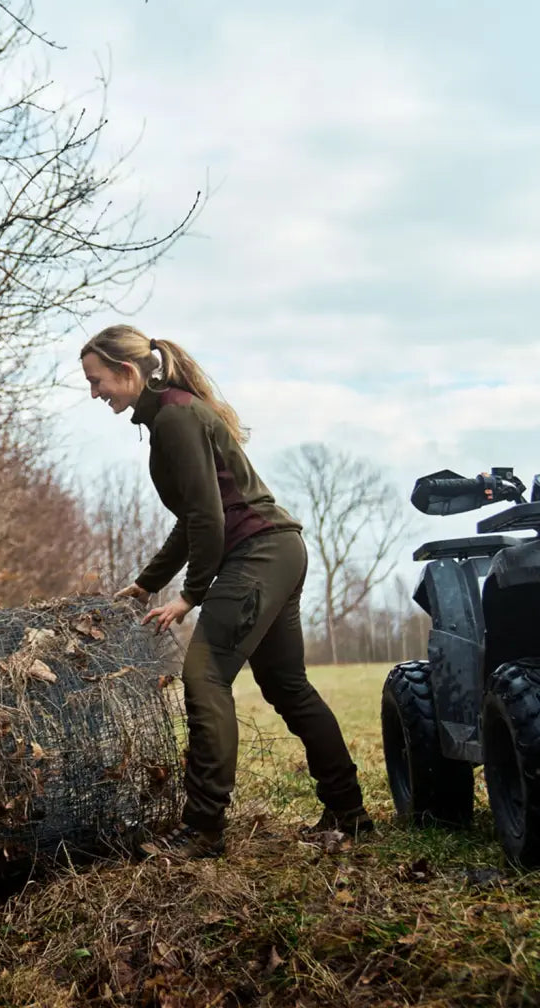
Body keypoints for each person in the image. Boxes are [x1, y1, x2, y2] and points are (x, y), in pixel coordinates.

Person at [80, 325, 370, 859]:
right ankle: (348, 813)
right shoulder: (171, 415)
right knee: (286, 685)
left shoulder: (175, 418)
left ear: (127, 372)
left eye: (98, 382)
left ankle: (203, 828)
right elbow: (191, 519)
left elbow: (209, 518)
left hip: (258, 554)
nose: (96, 393)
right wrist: (146, 584)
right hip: (275, 550)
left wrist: (191, 594)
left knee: (206, 676)